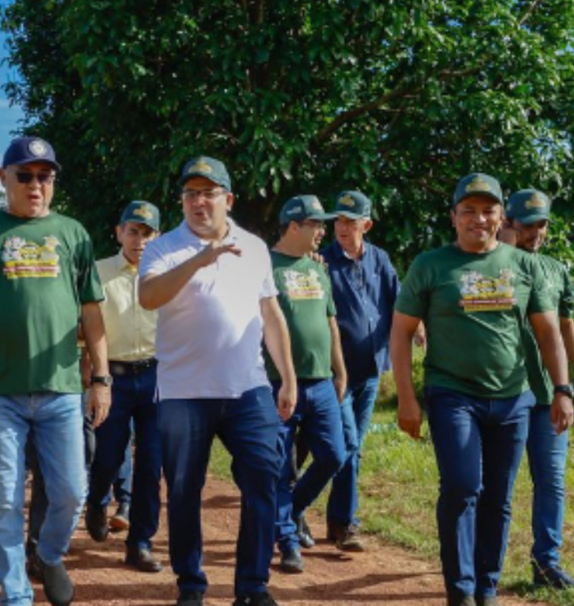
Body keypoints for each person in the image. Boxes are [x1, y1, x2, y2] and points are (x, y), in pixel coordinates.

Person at [0, 136, 110, 606]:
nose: (36, 185)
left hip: (61, 389)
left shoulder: (73, 233)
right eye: (25, 175)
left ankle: (49, 554)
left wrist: (101, 378)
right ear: (3, 178)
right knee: (5, 500)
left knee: (72, 492)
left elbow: (92, 314)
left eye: (44, 176)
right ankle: (15, 594)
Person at [390, 173, 574, 606]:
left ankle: (487, 587)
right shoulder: (430, 265)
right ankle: (461, 590)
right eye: (468, 210)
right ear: (453, 217)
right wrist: (407, 397)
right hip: (452, 393)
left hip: (513, 399)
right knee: (461, 486)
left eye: (488, 210)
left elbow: (549, 334)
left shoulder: (523, 265)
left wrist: (562, 388)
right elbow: (401, 334)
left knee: (498, 498)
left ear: (500, 217)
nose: (479, 218)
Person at [139, 156, 296, 606]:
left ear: (227, 199)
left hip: (248, 388)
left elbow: (270, 313)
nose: (198, 202)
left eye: (208, 193)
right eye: (190, 193)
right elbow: (148, 297)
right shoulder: (164, 247)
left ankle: (252, 587)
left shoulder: (255, 247)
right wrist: (200, 260)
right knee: (185, 489)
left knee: (264, 478)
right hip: (183, 393)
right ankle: (191, 585)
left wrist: (287, 376)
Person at [501, 189, 574, 590]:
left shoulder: (557, 270)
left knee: (552, 479)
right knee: (496, 486)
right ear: (508, 223)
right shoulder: (494, 263)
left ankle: (546, 564)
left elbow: (566, 322)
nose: (536, 231)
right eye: (527, 223)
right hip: (507, 392)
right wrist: (503, 247)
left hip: (550, 394)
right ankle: (481, 562)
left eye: (542, 223)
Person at [268, 195, 347, 575]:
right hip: (278, 384)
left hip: (320, 383)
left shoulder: (319, 268)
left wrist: (341, 371)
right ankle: (286, 542)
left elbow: (330, 321)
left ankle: (293, 510)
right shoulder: (265, 266)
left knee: (335, 455)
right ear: (294, 226)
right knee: (282, 468)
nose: (323, 231)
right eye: (316, 224)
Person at [85, 200, 164, 573]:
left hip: (156, 378)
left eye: (147, 233)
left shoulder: (167, 275)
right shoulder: (97, 272)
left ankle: (140, 543)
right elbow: (83, 328)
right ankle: (97, 501)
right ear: (119, 233)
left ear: (158, 237)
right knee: (108, 456)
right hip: (112, 378)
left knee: (151, 463)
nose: (140, 240)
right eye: (133, 231)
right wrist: (92, 378)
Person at [321, 190, 403, 551]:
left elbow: (399, 302)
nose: (342, 227)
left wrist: (418, 330)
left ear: (366, 225)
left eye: (351, 222)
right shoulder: (321, 262)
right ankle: (336, 520)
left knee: (353, 448)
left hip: (370, 370)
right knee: (348, 445)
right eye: (338, 220)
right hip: (336, 373)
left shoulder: (381, 260)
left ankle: (337, 522)